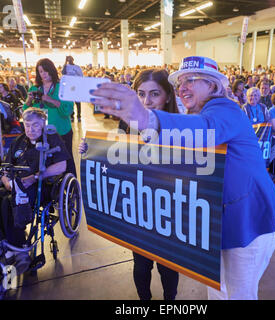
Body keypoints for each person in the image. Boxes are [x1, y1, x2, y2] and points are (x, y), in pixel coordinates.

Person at [89, 56, 275, 300]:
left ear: (213, 86)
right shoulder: (195, 114)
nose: (182, 87)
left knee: (237, 295)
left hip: (249, 222)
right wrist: (94, 151)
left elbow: (205, 131)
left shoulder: (226, 109)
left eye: (190, 80)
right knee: (218, 291)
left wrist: (147, 118)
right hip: (220, 223)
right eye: (180, 81)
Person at [81, 68, 180, 300]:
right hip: (140, 212)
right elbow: (117, 164)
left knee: (169, 268)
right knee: (141, 265)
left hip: (170, 213)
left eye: (154, 94)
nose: (147, 101)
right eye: (141, 93)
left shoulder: (181, 128)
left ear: (168, 95)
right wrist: (91, 150)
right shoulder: (128, 127)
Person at [0, 108, 72, 274]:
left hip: (41, 185)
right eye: (27, 125)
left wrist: (34, 177)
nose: (31, 129)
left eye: (35, 126)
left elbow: (61, 166)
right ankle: (8, 244)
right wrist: (6, 180)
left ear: (43, 125)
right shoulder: (19, 141)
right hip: (16, 184)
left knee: (9, 201)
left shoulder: (52, 139)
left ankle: (19, 249)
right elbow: (5, 166)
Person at [23, 58, 75, 174]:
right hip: (40, 134)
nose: (44, 74)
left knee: (66, 162)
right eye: (40, 71)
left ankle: (72, 190)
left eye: (46, 70)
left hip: (61, 131)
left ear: (51, 70)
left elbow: (68, 110)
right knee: (44, 163)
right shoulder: (35, 88)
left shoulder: (62, 87)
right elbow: (26, 113)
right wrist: (28, 101)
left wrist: (49, 99)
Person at [62, 56, 83, 121]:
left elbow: (81, 76)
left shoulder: (77, 67)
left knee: (78, 102)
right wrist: (65, 62)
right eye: (68, 59)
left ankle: (79, 116)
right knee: (70, 103)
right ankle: (72, 116)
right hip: (69, 87)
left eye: (70, 59)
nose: (69, 60)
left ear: (73, 59)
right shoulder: (66, 67)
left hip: (76, 86)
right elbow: (63, 73)